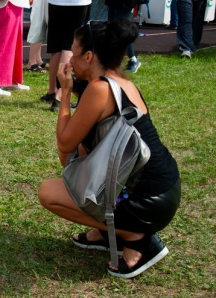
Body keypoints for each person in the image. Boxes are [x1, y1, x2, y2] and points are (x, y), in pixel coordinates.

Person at [38, 19, 181, 279]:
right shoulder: (121, 83)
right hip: (163, 190)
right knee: (71, 172)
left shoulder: (99, 89)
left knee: (48, 192)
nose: (70, 60)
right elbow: (78, 157)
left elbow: (64, 144)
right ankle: (107, 232)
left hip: (146, 201)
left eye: (74, 52)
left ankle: (136, 239)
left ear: (89, 56)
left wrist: (66, 92)